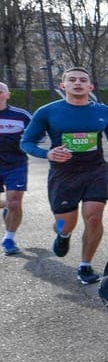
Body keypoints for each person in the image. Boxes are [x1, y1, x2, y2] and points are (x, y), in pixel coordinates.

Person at [20, 68, 108, 283]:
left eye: (83, 80)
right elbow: (27, 142)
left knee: (94, 216)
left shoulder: (104, 111)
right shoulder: (47, 111)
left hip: (95, 171)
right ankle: (63, 235)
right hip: (63, 174)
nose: (77, 83)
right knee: (65, 223)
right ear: (63, 86)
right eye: (72, 80)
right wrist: (48, 153)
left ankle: (85, 265)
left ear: (91, 87)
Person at [1, 81, 31, 255]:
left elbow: (36, 134)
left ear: (7, 94)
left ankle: (9, 239)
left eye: (0, 91)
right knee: (10, 203)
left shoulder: (21, 115)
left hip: (15, 164)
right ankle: (7, 205)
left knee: (15, 201)